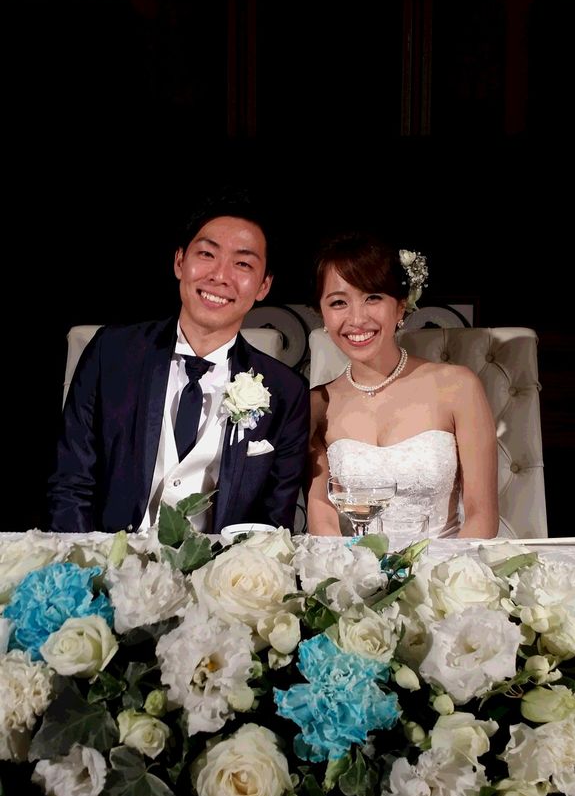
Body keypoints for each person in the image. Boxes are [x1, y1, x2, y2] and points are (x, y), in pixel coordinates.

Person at [47, 189, 310, 534]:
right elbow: (71, 485)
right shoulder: (111, 353)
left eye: (243, 264)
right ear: (179, 262)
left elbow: (272, 525)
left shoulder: (286, 392)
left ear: (264, 286)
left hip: (217, 564)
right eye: (207, 254)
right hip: (109, 558)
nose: (220, 275)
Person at [307, 233, 499, 539]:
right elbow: (323, 522)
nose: (357, 319)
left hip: (445, 563)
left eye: (372, 297)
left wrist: (446, 569)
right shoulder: (318, 404)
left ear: (400, 307)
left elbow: (482, 517)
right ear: (323, 315)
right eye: (339, 302)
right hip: (356, 566)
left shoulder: (458, 387)